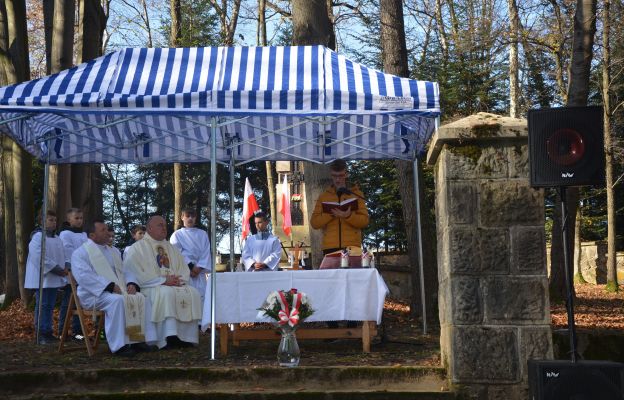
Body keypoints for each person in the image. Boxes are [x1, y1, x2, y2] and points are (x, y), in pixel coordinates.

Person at [71, 220, 159, 356]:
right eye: (103, 230)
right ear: (92, 235)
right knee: (117, 301)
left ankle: (138, 340)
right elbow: (84, 277)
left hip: (118, 291)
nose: (108, 233)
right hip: (93, 295)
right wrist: (110, 286)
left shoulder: (114, 251)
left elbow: (126, 271)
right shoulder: (80, 253)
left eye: (107, 229)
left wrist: (131, 284)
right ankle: (119, 346)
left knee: (141, 298)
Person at [123, 215, 202, 348]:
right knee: (166, 293)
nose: (164, 228)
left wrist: (177, 280)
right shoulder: (138, 248)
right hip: (150, 286)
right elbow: (133, 271)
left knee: (192, 292)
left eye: (165, 225)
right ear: (150, 228)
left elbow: (183, 268)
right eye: (160, 225)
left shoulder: (171, 248)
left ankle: (186, 337)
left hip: (173, 284)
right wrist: (163, 280)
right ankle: (168, 337)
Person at [24, 210, 67, 344]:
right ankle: (41, 333)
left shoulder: (57, 238)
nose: (54, 223)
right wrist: (56, 269)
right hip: (43, 276)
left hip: (54, 277)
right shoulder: (37, 237)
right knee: (43, 304)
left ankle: (48, 331)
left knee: (50, 305)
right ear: (41, 221)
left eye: (55, 220)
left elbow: (61, 255)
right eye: (50, 220)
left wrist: (64, 267)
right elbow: (39, 256)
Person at [310, 159, 369, 254]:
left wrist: (348, 216)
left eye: (340, 176)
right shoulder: (324, 196)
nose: (337, 179)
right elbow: (314, 223)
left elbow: (364, 221)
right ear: (331, 175)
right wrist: (331, 214)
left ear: (346, 174)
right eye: (334, 176)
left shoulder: (356, 194)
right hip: (330, 246)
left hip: (352, 246)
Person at [169, 208, 212, 301]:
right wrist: (191, 267)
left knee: (201, 301)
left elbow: (206, 252)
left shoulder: (203, 234)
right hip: (184, 273)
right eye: (187, 216)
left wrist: (199, 268)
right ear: (182, 217)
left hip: (199, 274)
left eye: (193, 216)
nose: (190, 219)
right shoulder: (177, 235)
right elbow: (177, 253)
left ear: (196, 218)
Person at [58, 208, 87, 341]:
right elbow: (67, 252)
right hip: (72, 273)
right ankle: (62, 332)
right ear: (69, 219)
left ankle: (78, 332)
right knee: (67, 303)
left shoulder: (83, 235)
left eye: (81, 218)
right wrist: (71, 270)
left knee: (79, 303)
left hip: (83, 273)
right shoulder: (65, 234)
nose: (79, 220)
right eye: (76, 218)